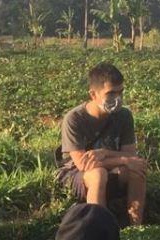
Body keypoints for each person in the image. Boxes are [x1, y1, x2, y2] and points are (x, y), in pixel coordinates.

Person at [56, 63, 147, 225]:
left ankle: (136, 228)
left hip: (111, 170)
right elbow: (83, 164)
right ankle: (99, 231)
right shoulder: (74, 119)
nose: (117, 98)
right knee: (98, 174)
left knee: (136, 170)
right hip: (77, 176)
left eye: (121, 92)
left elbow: (131, 154)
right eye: (111, 93)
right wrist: (123, 160)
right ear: (93, 94)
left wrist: (105, 153)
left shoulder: (124, 115)